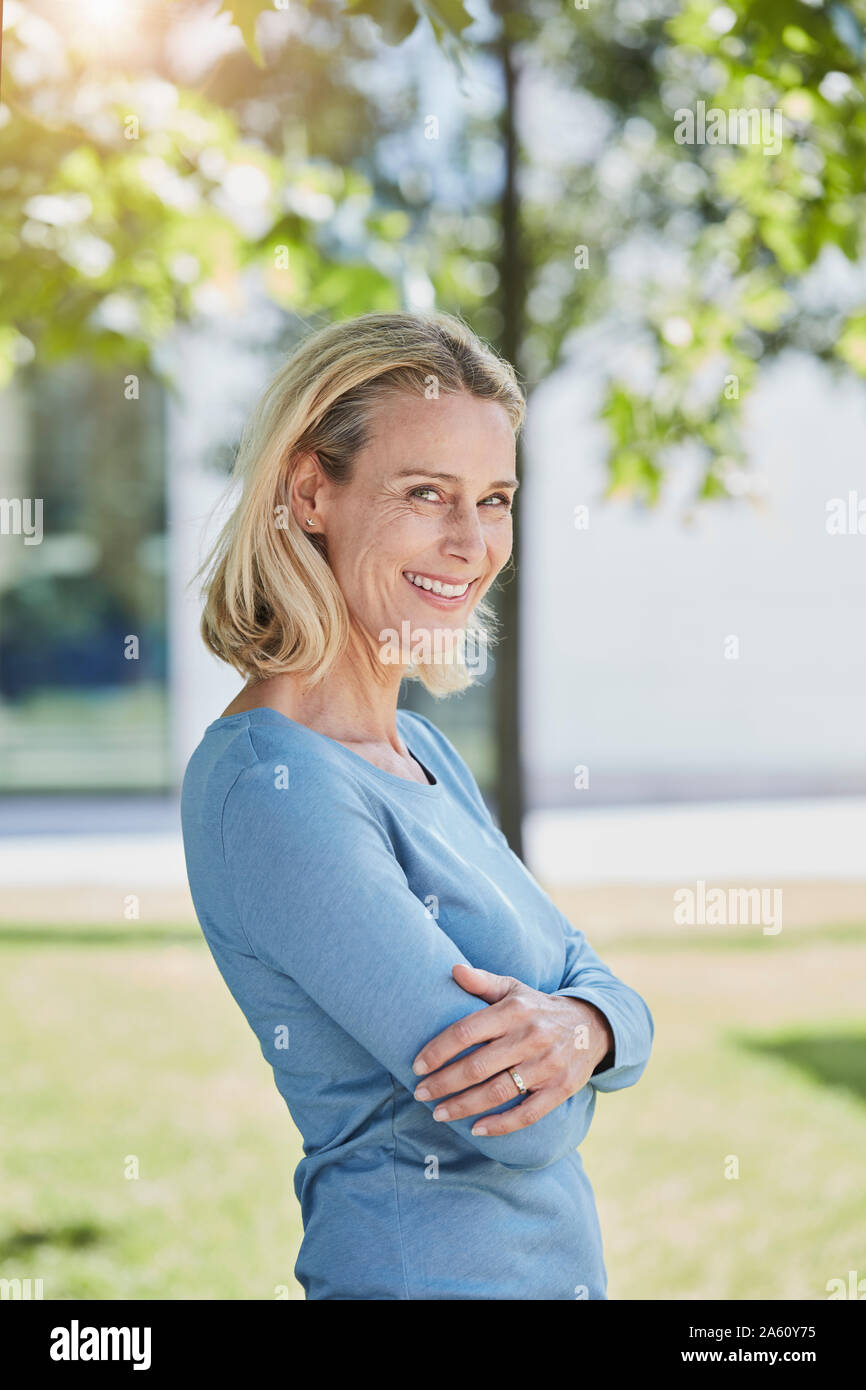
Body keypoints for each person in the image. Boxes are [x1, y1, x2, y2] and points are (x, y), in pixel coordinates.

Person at [180, 310, 654, 1300]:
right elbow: (518, 1116)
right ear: (311, 492)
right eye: (424, 493)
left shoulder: (420, 752)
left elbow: (596, 982)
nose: (469, 541)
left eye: (494, 498)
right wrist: (581, 1040)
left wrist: (587, 1027)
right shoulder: (271, 783)